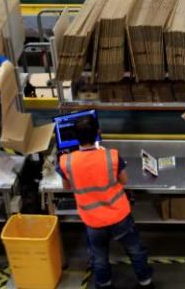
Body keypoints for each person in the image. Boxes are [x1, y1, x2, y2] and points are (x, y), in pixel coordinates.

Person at [58, 115, 154, 289]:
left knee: (99, 257)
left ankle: (104, 284)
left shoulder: (67, 161)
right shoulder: (112, 156)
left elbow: (66, 187)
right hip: (119, 216)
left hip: (93, 221)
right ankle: (145, 281)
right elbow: (124, 180)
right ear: (98, 132)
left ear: (74, 136)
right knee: (135, 251)